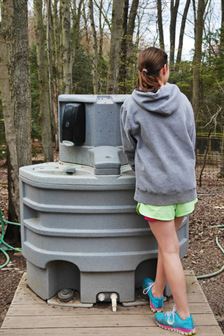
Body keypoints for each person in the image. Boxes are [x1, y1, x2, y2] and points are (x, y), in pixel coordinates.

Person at [120, 46, 197, 335]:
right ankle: (156, 293)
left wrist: (141, 170)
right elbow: (191, 140)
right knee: (169, 246)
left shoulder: (131, 105)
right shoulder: (182, 100)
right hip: (184, 188)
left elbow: (129, 148)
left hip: (156, 191)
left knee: (168, 249)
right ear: (164, 69)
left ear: (141, 72)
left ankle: (183, 317)